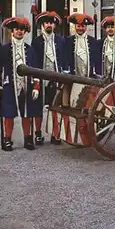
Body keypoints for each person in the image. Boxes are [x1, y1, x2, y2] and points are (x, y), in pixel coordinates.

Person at [0, 17, 41, 151]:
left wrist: (36, 87)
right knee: (8, 113)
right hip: (9, 85)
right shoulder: (4, 49)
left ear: (25, 32)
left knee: (27, 113)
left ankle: (28, 139)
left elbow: (35, 70)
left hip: (26, 86)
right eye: (17, 29)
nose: (19, 32)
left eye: (22, 30)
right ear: (12, 31)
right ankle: (7, 139)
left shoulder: (30, 50)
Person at [31, 11, 66, 145]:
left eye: (51, 23)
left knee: (55, 107)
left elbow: (63, 59)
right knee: (37, 108)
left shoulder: (60, 41)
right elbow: (34, 61)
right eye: (47, 23)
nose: (49, 25)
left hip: (56, 78)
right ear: (43, 25)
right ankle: (38, 134)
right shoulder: (36, 42)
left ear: (55, 25)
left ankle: (55, 134)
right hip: (41, 78)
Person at [65, 13, 99, 77]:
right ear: (75, 26)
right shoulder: (68, 40)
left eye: (83, 26)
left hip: (89, 77)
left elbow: (96, 60)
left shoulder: (93, 41)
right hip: (73, 77)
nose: (80, 28)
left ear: (86, 27)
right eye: (78, 26)